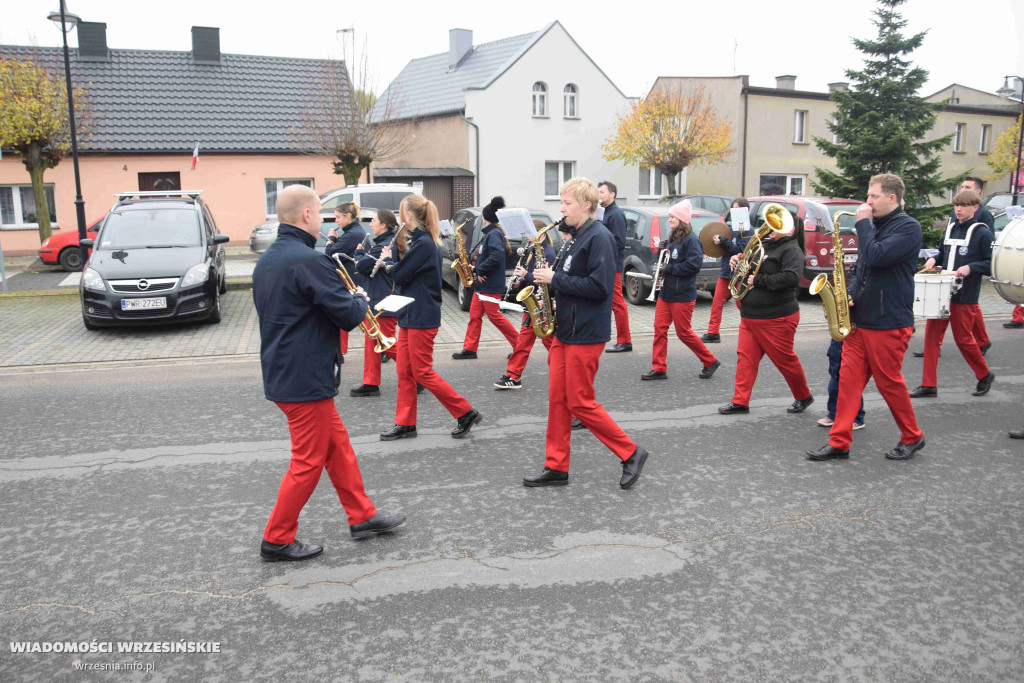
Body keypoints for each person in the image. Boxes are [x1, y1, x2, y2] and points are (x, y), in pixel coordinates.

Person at [252, 185, 404, 562]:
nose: (322, 220)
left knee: (338, 448)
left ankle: (362, 516)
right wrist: (359, 299)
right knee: (307, 462)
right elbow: (350, 315)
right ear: (306, 215)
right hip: (304, 377)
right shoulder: (308, 260)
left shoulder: (269, 259)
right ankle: (277, 537)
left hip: (287, 370)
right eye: (319, 213)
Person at [523, 177, 650, 489]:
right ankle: (556, 466)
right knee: (557, 399)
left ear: (587, 205)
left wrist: (555, 280)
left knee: (579, 402)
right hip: (567, 329)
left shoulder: (600, 238)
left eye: (567, 203)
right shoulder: (575, 237)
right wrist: (546, 285)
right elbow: (568, 277)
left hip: (586, 332)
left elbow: (600, 288)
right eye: (561, 203)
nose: (561, 209)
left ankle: (631, 452)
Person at [807, 173, 925, 461]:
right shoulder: (875, 226)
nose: (867, 201)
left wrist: (862, 224)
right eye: (868, 195)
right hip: (860, 320)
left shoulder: (908, 228)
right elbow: (863, 268)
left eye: (873, 196)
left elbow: (875, 256)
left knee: (889, 383)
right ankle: (839, 441)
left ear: (892, 198)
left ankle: (912, 436)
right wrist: (849, 296)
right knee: (847, 381)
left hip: (888, 322)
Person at [379, 195, 481, 440]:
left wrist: (387, 261)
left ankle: (465, 411)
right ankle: (405, 423)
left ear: (410, 215)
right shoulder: (419, 241)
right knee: (404, 371)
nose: (401, 215)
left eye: (402, 211)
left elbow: (400, 274)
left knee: (422, 372)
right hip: (410, 312)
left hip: (422, 316)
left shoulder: (424, 243)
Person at [718, 208, 813, 417]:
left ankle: (803, 396)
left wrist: (758, 280)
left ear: (790, 229)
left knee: (784, 360)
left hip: (777, 317)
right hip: (751, 314)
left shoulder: (792, 250)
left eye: (777, 225)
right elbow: (749, 266)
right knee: (745, 358)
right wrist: (738, 261)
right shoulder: (765, 244)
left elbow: (791, 278)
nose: (770, 228)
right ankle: (740, 401)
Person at [909, 189, 995, 399]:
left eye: (964, 205)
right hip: (941, 291)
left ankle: (984, 374)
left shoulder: (982, 233)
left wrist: (971, 267)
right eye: (956, 205)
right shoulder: (950, 229)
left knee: (964, 339)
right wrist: (933, 260)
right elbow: (942, 254)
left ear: (975, 208)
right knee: (931, 338)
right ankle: (928, 384)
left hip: (965, 295)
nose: (958, 209)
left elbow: (991, 263)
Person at [642, 199, 720, 381]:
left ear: (682, 219)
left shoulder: (692, 240)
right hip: (667, 293)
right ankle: (659, 367)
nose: (669, 219)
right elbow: (670, 257)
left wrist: (668, 269)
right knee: (659, 329)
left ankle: (710, 360)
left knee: (684, 333)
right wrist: (663, 249)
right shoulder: (673, 237)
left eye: (672, 217)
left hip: (683, 295)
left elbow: (693, 265)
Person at [494, 218, 560, 390]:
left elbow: (546, 282)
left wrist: (526, 275)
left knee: (545, 342)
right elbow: (530, 279)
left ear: (541, 233)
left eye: (530, 232)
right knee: (529, 342)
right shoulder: (533, 250)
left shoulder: (549, 253)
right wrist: (519, 282)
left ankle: (562, 371)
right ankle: (513, 376)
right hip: (532, 304)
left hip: (540, 304)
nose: (527, 236)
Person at [452, 196, 520, 360]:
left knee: (495, 316)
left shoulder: (494, 234)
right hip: (482, 285)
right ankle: (470, 349)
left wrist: (481, 269)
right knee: (474, 316)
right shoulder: (490, 234)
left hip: (489, 284)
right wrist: (476, 268)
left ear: (485, 218)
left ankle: (520, 345)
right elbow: (488, 256)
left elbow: (496, 256)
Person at [349, 210, 401, 397]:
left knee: (386, 343)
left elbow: (362, 266)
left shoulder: (384, 246)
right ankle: (370, 383)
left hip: (384, 299)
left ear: (384, 225)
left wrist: (359, 253)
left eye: (374, 221)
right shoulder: (381, 244)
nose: (371, 224)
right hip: (378, 297)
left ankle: (417, 374)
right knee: (373, 341)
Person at [703, 197, 750, 343]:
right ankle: (713, 333)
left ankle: (750, 328)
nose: (734, 211)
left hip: (739, 274)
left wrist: (723, 240)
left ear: (744, 210)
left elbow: (740, 251)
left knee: (740, 304)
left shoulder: (747, 230)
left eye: (737, 208)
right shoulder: (734, 228)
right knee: (717, 302)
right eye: (732, 208)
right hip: (726, 271)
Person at [325, 202, 367, 365]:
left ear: (347, 216)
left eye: (338, 217)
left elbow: (330, 253)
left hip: (353, 280)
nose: (336, 221)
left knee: (359, 316)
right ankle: (339, 351)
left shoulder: (353, 233)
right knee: (342, 314)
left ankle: (383, 346)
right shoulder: (351, 231)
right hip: (349, 279)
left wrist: (331, 239)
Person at [598, 181, 632, 353]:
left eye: (602, 192)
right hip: (604, 264)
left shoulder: (616, 214)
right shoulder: (602, 213)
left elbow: (619, 242)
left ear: (612, 194)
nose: (599, 195)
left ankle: (625, 340)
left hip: (613, 265)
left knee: (617, 302)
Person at [818, 339, 866, 430]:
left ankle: (858, 419)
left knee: (852, 386)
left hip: (854, 340)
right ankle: (833, 415)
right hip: (838, 342)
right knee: (833, 386)